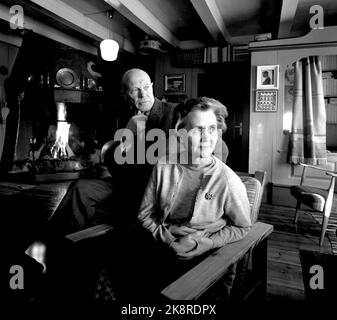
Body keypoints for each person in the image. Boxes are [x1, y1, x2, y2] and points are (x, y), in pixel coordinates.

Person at [105, 97, 251, 301]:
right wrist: (168, 237)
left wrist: (208, 243)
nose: (206, 137)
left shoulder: (227, 179)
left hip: (203, 252)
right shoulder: (163, 166)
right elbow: (144, 215)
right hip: (160, 243)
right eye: (197, 129)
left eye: (211, 129)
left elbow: (242, 227)